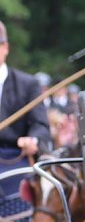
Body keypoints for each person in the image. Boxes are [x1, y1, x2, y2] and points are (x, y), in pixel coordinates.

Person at [0, 19, 51, 199]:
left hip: (17, 159)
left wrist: (33, 140)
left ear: (5, 47)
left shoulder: (28, 84)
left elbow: (40, 125)